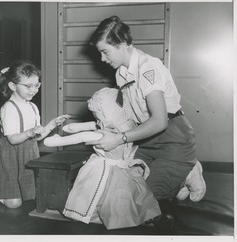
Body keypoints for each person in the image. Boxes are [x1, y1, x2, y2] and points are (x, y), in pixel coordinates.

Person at [87, 16, 206, 206]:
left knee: (142, 200)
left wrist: (119, 138)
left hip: (172, 137)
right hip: (146, 139)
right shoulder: (121, 72)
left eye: (105, 52)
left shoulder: (147, 68)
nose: (102, 59)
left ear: (123, 43)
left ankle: (188, 171)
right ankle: (179, 173)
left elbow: (159, 121)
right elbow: (129, 115)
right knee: (123, 189)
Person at [44, 87, 161, 230]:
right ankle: (134, 217)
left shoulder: (106, 135)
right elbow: (90, 126)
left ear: (109, 114)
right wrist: (72, 127)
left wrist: (56, 141)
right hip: (124, 168)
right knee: (128, 197)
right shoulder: (127, 125)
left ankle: (97, 216)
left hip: (106, 169)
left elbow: (81, 137)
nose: (98, 122)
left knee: (101, 194)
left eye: (99, 117)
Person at [0, 60, 70, 209]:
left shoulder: (32, 107)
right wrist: (29, 132)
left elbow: (37, 137)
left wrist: (51, 125)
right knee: (14, 204)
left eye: (37, 85)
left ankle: (12, 192)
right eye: (28, 86)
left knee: (28, 193)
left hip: (29, 152)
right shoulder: (8, 108)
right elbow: (12, 139)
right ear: (12, 86)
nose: (33, 90)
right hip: (10, 153)